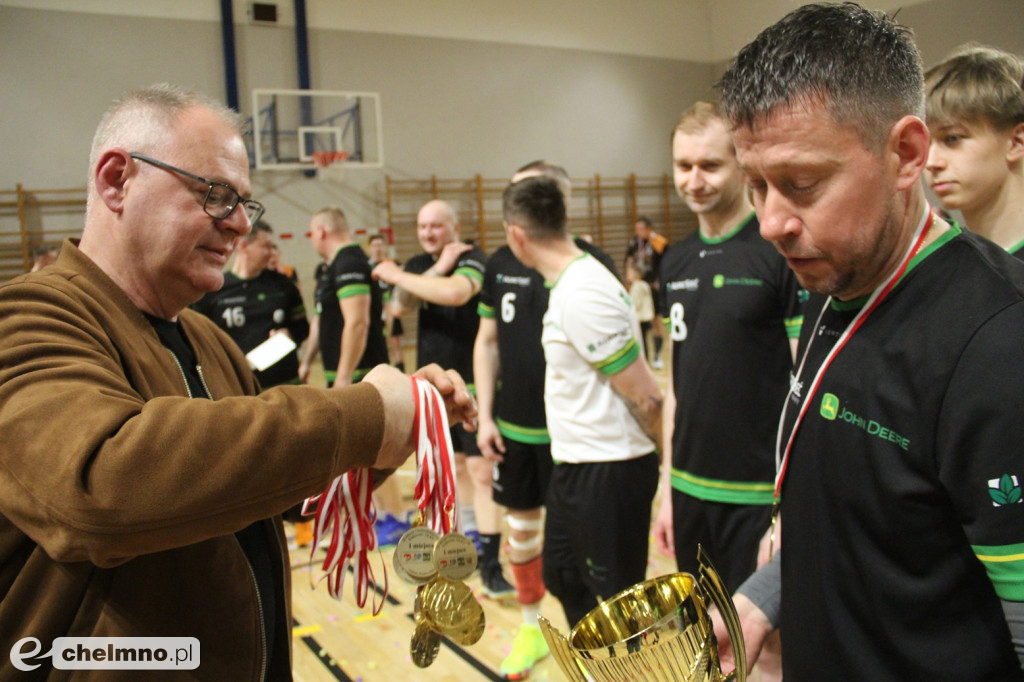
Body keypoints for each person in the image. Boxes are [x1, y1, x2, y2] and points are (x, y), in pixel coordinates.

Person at [0, 83, 475, 680]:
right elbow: (102, 484)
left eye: (244, 204)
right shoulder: (25, 316)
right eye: (217, 195)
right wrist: (365, 414)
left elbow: (275, 494)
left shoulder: (208, 340)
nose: (239, 226)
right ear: (117, 180)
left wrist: (392, 435)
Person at [711, 4, 1024, 678]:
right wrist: (766, 596)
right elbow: (872, 512)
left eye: (801, 184)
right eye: (756, 185)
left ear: (906, 154)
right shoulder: (836, 272)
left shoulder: (1000, 343)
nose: (769, 223)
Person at [651, 101, 803, 597]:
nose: (694, 180)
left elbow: (806, 387)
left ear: (742, 164)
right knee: (702, 628)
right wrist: (667, 491)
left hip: (758, 495)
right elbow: (677, 388)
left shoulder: (778, 253)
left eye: (710, 165)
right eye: (683, 165)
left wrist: (789, 505)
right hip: (689, 489)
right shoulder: (674, 260)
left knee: (760, 635)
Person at [474, 160, 619, 679]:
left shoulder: (593, 265)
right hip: (516, 429)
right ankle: (531, 627)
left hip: (576, 436)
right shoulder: (499, 263)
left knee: (583, 541)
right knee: (522, 532)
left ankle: (596, 633)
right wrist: (485, 416)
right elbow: (487, 342)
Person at [501, 175, 662, 630]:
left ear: (516, 234)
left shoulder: (583, 292)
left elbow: (646, 397)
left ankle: (625, 664)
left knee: (620, 604)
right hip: (576, 464)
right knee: (563, 575)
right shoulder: (571, 283)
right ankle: (597, 662)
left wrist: (667, 470)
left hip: (611, 468)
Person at [372, 200, 515, 598]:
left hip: (474, 383)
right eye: (422, 226)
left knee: (482, 470)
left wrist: (396, 273)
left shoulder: (472, 259)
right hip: (434, 387)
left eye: (436, 226)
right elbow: (398, 306)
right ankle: (468, 546)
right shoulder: (422, 264)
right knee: (454, 469)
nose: (428, 233)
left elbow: (454, 293)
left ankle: (491, 563)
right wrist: (432, 269)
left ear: (455, 226)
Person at [925, 44, 1024, 255]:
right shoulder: (946, 262)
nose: (931, 162)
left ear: (1016, 142)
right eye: (925, 143)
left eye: (952, 138)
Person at [192, 220, 309, 388]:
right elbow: (199, 338)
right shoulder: (215, 288)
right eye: (265, 246)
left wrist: (289, 336)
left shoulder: (283, 284)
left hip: (286, 386)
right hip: (239, 388)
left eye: (272, 246)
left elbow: (303, 327)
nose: (271, 252)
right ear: (243, 245)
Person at [308, 207, 388, 388]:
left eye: (311, 233)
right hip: (343, 374)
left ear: (321, 232)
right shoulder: (335, 265)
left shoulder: (349, 263)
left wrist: (344, 376)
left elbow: (358, 322)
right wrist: (307, 362)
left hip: (359, 377)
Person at [624, 215, 668, 368]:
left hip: (652, 288)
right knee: (638, 322)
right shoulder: (634, 242)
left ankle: (657, 356)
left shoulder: (657, 242)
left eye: (641, 229)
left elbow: (666, 261)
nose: (639, 232)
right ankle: (644, 356)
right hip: (637, 287)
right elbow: (629, 260)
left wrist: (661, 282)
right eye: (637, 229)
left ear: (649, 229)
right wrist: (629, 279)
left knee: (656, 322)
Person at [367, 232, 406, 371]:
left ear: (384, 247)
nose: (378, 248)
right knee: (378, 344)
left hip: (391, 309)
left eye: (380, 245)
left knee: (395, 344)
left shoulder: (392, 264)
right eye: (374, 245)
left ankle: (401, 373)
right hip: (375, 311)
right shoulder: (366, 267)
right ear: (370, 248)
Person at [624, 263, 655, 364]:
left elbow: (634, 303)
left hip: (640, 318)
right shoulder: (644, 284)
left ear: (635, 274)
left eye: (629, 273)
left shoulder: (636, 286)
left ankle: (643, 360)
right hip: (647, 317)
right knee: (645, 340)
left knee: (641, 341)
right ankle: (647, 359)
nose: (628, 276)